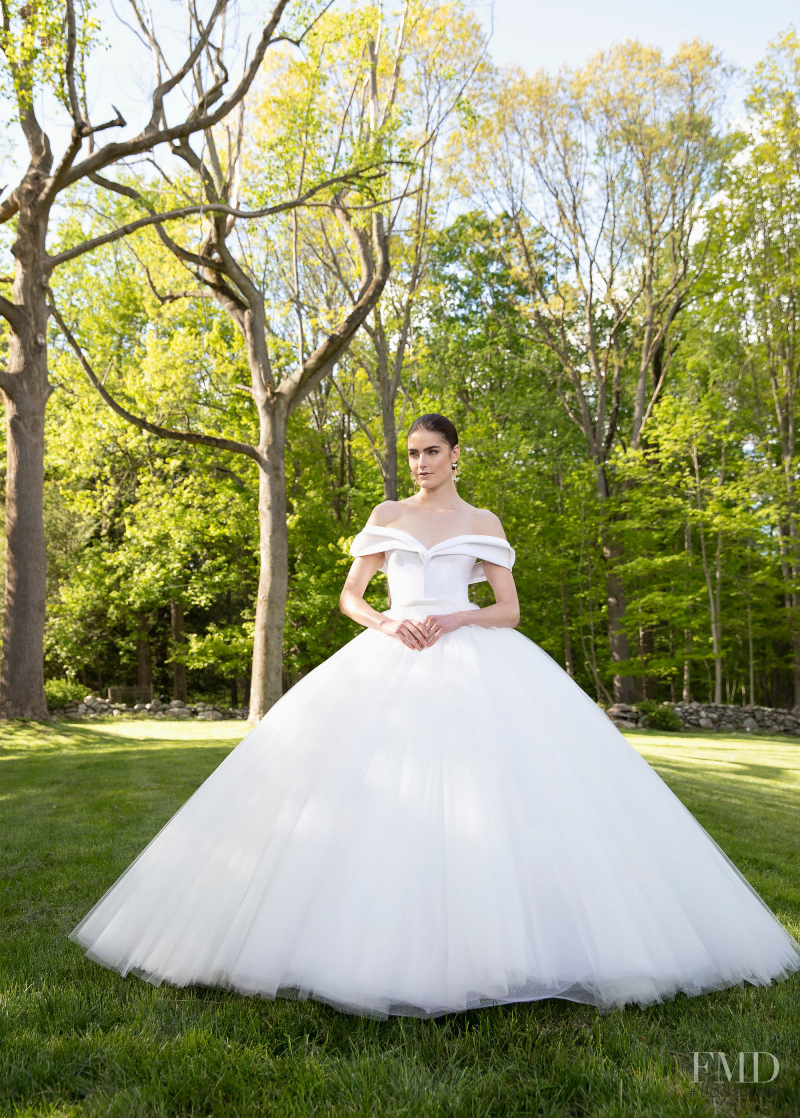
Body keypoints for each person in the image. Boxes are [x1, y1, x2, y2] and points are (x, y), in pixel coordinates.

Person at [68, 413, 800, 1020]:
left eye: (431, 452)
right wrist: (387, 625)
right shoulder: (385, 516)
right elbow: (351, 597)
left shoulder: (483, 520)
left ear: (455, 455)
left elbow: (510, 611)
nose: (419, 463)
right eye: (412, 453)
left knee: (498, 795)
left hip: (469, 653)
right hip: (387, 654)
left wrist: (453, 619)